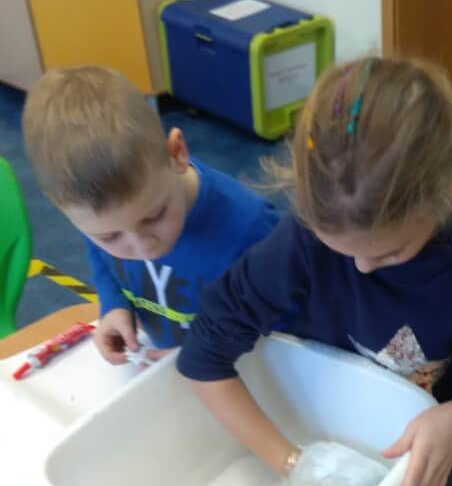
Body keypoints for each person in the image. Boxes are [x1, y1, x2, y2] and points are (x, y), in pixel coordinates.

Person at [177, 56, 452, 486]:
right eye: (339, 248)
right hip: (328, 432)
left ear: (448, 189)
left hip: (440, 460)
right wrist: (293, 465)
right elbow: (203, 355)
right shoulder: (305, 236)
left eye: (390, 253)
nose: (361, 268)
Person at [22, 66, 278, 363]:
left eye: (154, 216)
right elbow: (99, 255)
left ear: (177, 153)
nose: (144, 248)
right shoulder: (100, 220)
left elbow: (288, 334)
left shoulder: (252, 228)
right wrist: (114, 306)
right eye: (110, 237)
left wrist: (207, 358)